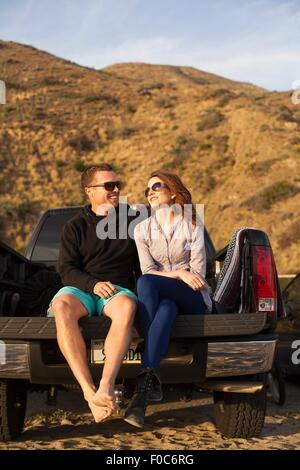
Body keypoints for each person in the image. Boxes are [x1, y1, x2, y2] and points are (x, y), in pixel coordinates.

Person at [47, 163, 141, 423]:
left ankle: (106, 387)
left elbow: (145, 264)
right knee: (62, 306)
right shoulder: (74, 226)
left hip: (117, 289)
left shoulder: (132, 221)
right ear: (89, 191)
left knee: (126, 307)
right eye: (109, 185)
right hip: (82, 288)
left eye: (117, 184)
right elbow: (66, 268)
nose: (116, 189)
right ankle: (89, 392)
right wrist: (92, 285)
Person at [124, 171, 212, 428]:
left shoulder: (193, 226)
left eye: (156, 186)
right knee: (165, 309)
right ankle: (145, 388)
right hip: (166, 297)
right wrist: (178, 273)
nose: (150, 192)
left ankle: (145, 345)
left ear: (173, 192)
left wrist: (184, 275)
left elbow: (197, 276)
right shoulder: (141, 230)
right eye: (147, 189)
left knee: (145, 283)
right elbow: (147, 268)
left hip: (194, 298)